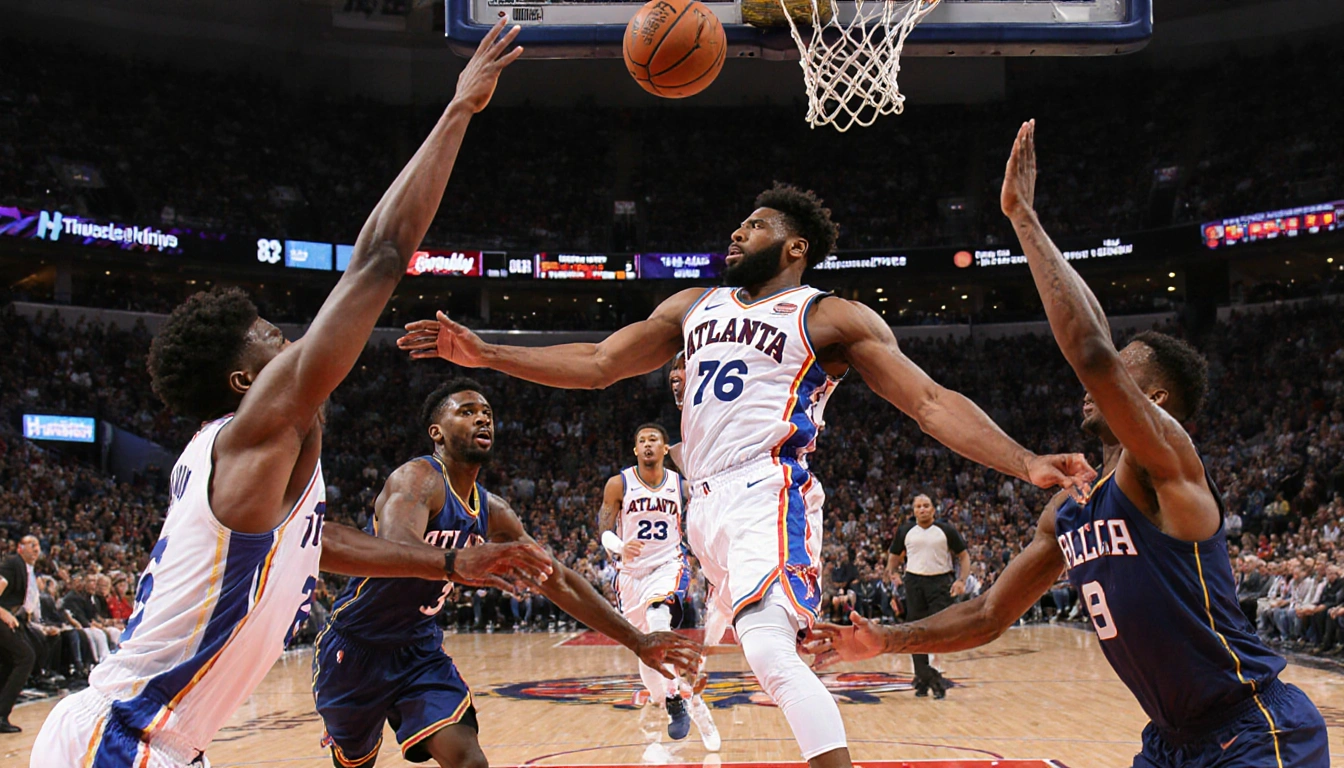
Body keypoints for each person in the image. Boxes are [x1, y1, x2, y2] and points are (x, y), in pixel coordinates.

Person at [398, 177, 1094, 767]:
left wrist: (1023, 460)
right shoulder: (693, 306)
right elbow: (599, 363)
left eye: (753, 226)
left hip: (770, 490)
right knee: (767, 648)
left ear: (794, 247)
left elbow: (930, 402)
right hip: (703, 510)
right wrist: (488, 354)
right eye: (737, 225)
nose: (736, 234)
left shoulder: (830, 316)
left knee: (767, 647)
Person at [32, 22, 554, 767]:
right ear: (248, 386)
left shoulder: (245, 468)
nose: (293, 345)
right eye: (272, 343)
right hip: (127, 739)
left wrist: (447, 565)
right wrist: (458, 109)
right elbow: (379, 257)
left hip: (153, 737)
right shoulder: (255, 432)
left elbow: (317, 545)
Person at [806, 121, 1329, 768]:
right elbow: (990, 614)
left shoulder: (1167, 463)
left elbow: (1092, 353)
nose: (1097, 385)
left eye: (1126, 375)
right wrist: (883, 641)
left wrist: (1024, 218)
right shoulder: (1072, 509)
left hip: (1251, 729)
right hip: (1170, 743)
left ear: (1155, 402)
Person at [314, 381, 700, 768]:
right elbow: (397, 545)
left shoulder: (492, 510)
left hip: (419, 650)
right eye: (466, 411)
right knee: (355, 763)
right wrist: (454, 562)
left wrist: (637, 640)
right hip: (357, 647)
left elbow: (558, 579)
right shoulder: (418, 478)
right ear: (437, 432)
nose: (482, 417)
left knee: (470, 761)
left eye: (487, 413)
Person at [597, 422, 719, 749]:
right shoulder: (618, 483)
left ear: (666, 449)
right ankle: (676, 699)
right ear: (635, 450)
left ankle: (678, 698)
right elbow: (604, 527)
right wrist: (618, 545)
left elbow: (703, 517)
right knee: (644, 646)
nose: (648, 444)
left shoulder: (681, 485)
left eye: (654, 439)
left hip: (668, 564)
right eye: (641, 440)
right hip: (630, 574)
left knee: (658, 621)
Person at [886, 494, 969, 699]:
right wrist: (893, 573)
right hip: (914, 583)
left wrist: (961, 580)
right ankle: (926, 677)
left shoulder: (946, 530)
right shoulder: (905, 530)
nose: (922, 509)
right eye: (918, 506)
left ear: (933, 509)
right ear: (913, 511)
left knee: (936, 632)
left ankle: (925, 677)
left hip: (940, 583)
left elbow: (963, 555)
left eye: (926, 505)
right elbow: (894, 556)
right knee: (915, 632)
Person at [0, 536, 40, 733]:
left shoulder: (26, 568)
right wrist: (3, 612)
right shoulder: (12, 562)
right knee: (25, 657)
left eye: (38, 546)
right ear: (20, 547)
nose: (36, 549)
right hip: (2, 618)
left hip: (15, 621)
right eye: (32, 545)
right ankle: (2, 714)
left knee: (9, 661)